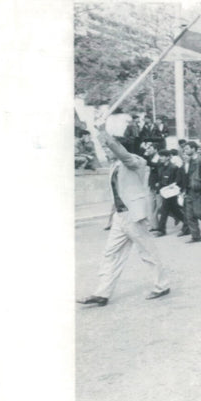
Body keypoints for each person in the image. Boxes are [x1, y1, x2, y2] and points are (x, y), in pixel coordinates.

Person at [77, 124, 169, 306]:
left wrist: (104, 132)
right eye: (104, 148)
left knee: (147, 252)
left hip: (133, 215)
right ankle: (102, 293)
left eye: (107, 148)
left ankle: (162, 285)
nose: (106, 151)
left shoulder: (136, 161)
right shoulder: (114, 166)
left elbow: (121, 153)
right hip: (120, 217)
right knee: (110, 253)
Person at [153, 149, 186, 237]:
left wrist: (174, 185)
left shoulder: (174, 167)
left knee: (164, 210)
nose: (160, 158)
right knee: (175, 210)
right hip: (164, 192)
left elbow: (178, 180)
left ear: (168, 157)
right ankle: (188, 223)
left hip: (171, 192)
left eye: (162, 156)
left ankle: (161, 230)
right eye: (160, 156)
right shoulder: (161, 166)